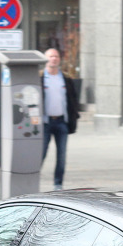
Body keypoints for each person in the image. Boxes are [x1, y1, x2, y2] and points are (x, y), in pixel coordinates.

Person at [40, 47, 80, 190]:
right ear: (45, 59)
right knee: (41, 153)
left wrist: (74, 117)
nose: (54, 59)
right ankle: (33, 179)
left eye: (56, 56)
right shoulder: (40, 78)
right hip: (45, 122)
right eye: (51, 56)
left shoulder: (65, 78)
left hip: (61, 121)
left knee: (61, 156)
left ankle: (58, 184)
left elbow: (72, 99)